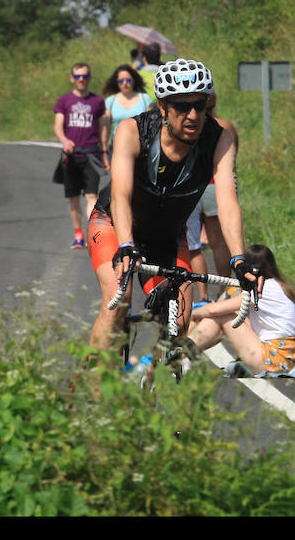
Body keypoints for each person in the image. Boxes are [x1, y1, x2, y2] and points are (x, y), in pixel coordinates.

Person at [86, 58, 260, 351]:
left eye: (200, 105)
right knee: (119, 295)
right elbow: (120, 196)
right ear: (163, 107)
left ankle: (152, 386)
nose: (192, 115)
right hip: (115, 224)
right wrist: (127, 245)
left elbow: (228, 201)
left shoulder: (220, 139)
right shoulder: (134, 131)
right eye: (182, 106)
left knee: (178, 320)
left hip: (166, 235)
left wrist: (239, 260)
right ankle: (94, 389)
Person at [188, 244, 295, 377]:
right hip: (289, 355)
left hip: (273, 359)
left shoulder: (260, 289)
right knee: (235, 314)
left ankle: (181, 352)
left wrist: (189, 314)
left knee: (223, 317)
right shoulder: (281, 286)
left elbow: (213, 310)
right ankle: (185, 352)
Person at [186, 91, 239, 306]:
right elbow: (232, 156)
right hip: (215, 187)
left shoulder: (186, 125)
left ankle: (203, 295)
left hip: (190, 188)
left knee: (193, 246)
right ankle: (225, 291)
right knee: (219, 244)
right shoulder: (226, 126)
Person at [53, 62, 108, 249]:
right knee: (74, 198)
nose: (81, 79)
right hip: (72, 156)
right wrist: (64, 140)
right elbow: (58, 125)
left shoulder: (98, 102)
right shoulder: (64, 100)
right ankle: (78, 235)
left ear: (89, 78)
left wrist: (104, 151)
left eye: (84, 76)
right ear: (72, 79)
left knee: (92, 196)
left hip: (92, 154)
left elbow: (103, 128)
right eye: (78, 76)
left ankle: (95, 234)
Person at [101, 64, 153, 150]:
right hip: (116, 148)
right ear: (117, 82)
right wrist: (104, 149)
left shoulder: (145, 99)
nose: (125, 83)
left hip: (140, 149)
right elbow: (106, 127)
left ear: (133, 81)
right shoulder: (110, 101)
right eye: (121, 81)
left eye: (128, 80)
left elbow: (151, 126)